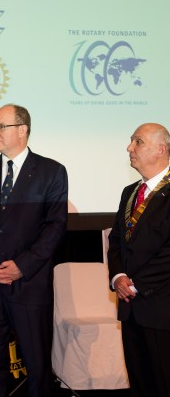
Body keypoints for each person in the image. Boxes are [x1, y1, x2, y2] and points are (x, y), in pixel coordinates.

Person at [0, 104, 68, 396]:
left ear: (23, 130)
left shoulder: (52, 171)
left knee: (37, 369)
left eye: (1, 126)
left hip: (29, 286)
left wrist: (22, 266)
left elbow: (55, 227)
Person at [108, 123, 170, 397]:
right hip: (130, 308)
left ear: (161, 149)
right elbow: (117, 241)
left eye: (138, 141)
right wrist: (118, 277)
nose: (129, 147)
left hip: (161, 308)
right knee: (140, 384)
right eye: (131, 141)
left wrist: (136, 284)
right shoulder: (129, 191)